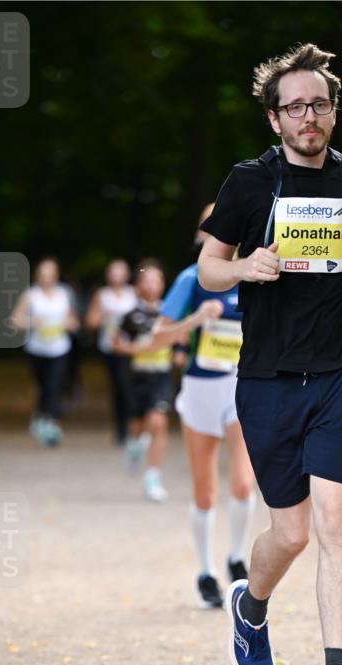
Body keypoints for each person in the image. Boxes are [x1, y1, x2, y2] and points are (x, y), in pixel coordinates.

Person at [197, 43, 342, 665]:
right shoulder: (248, 183)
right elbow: (206, 268)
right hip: (267, 379)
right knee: (287, 534)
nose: (308, 117)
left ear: (332, 110)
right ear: (274, 118)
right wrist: (245, 266)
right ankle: (250, 608)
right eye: (295, 107)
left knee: (335, 525)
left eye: (318, 104)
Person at [120, 205, 256, 608]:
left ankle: (236, 557)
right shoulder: (189, 278)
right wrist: (195, 320)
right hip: (200, 389)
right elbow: (157, 338)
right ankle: (205, 572)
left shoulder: (253, 272)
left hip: (240, 386)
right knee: (204, 489)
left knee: (244, 481)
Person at [113, 261, 173, 503]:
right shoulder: (130, 316)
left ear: (162, 285)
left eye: (156, 280)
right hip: (137, 377)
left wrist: (178, 353)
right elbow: (116, 344)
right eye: (146, 280)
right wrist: (137, 347)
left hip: (161, 377)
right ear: (138, 286)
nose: (151, 284)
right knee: (138, 426)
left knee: (158, 420)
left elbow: (180, 344)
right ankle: (135, 447)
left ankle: (153, 477)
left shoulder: (170, 314)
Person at [10, 257, 79, 446]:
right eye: (43, 274)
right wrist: (32, 322)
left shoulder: (64, 294)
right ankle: (40, 416)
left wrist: (68, 324)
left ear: (56, 276)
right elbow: (15, 320)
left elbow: (74, 321)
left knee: (55, 385)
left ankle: (52, 423)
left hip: (60, 348)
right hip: (37, 349)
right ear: (37, 275)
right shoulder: (30, 294)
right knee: (43, 386)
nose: (47, 278)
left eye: (51, 274)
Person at [85, 259, 138, 444]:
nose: (116, 276)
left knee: (129, 386)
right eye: (113, 272)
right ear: (108, 275)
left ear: (127, 274)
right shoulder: (102, 295)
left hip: (130, 348)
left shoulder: (133, 293)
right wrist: (104, 316)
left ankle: (132, 425)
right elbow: (91, 322)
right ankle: (121, 428)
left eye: (120, 272)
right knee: (118, 387)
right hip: (109, 348)